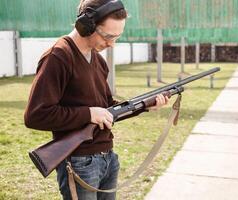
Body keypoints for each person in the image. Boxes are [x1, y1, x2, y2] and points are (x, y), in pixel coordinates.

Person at [24, 0, 169, 199]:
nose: (111, 44)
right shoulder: (58, 57)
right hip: (79, 163)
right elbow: (35, 115)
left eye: (117, 37)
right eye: (108, 36)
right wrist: (89, 114)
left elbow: (107, 110)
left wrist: (144, 106)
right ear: (85, 25)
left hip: (108, 157)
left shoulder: (98, 60)